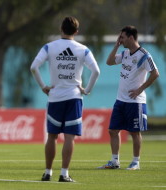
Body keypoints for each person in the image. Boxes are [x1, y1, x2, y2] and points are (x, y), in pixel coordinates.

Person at [30, 16, 100, 182]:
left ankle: (47, 173)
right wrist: (86, 90)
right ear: (76, 31)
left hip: (54, 97)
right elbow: (96, 71)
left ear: (61, 29)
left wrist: (43, 86)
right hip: (74, 98)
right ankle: (64, 174)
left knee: (52, 136)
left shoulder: (49, 47)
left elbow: (33, 67)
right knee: (69, 137)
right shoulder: (83, 49)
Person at [98, 26, 159, 170]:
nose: (120, 40)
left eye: (122, 37)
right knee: (113, 130)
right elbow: (109, 62)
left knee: (134, 132)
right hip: (121, 100)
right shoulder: (125, 53)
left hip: (135, 101)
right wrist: (115, 46)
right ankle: (114, 161)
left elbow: (155, 73)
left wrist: (140, 89)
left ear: (131, 37)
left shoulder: (144, 55)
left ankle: (136, 162)